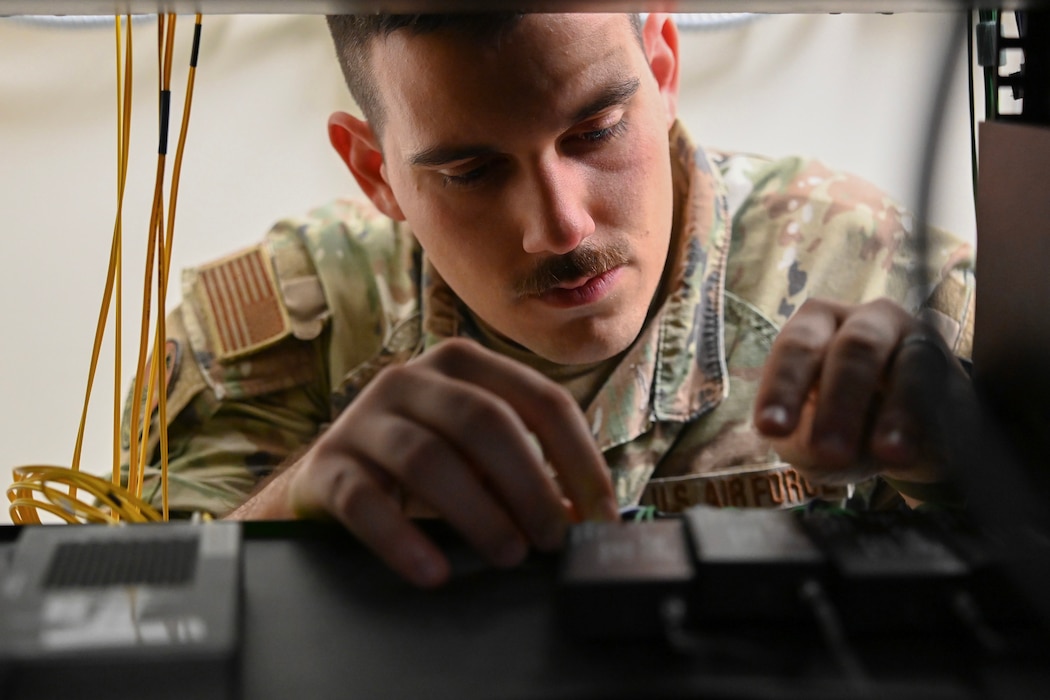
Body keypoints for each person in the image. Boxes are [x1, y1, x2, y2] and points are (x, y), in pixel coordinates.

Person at [122, 12, 976, 587]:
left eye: (597, 131)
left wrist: (960, 470)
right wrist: (292, 509)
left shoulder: (877, 276)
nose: (560, 228)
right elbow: (119, 626)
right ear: (375, 172)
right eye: (470, 173)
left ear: (664, 63)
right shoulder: (281, 327)